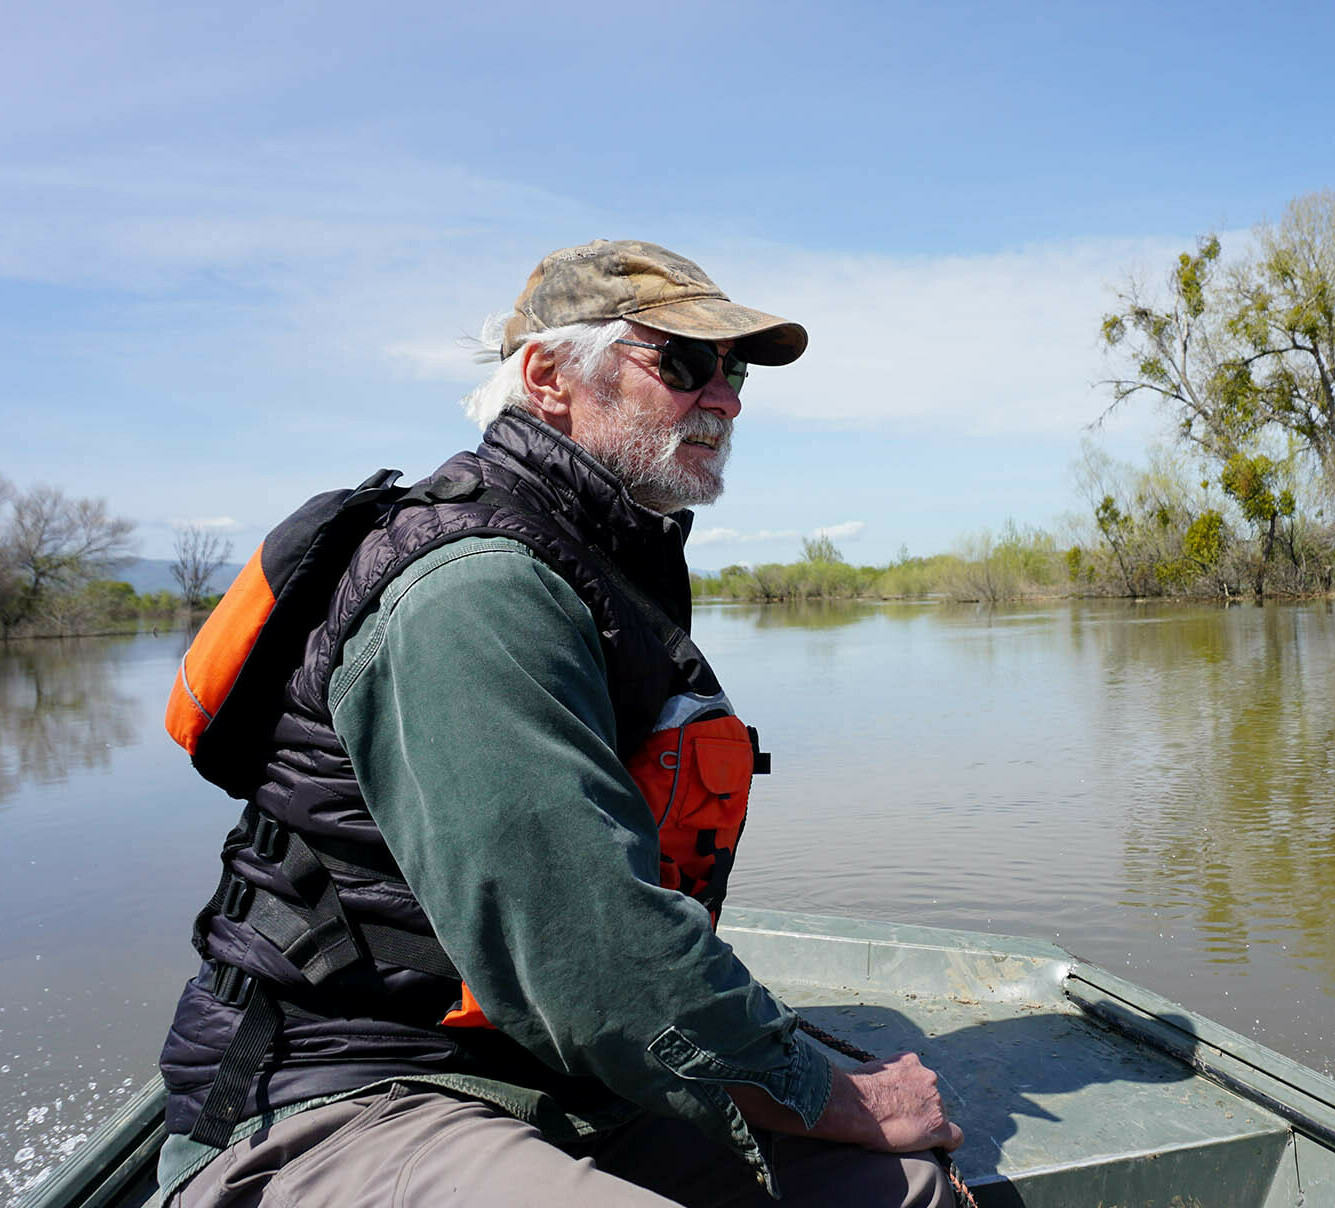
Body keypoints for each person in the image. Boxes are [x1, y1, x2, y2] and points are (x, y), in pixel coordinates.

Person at [157, 239, 962, 1206]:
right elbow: (590, 946)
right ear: (548, 377)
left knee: (903, 1186)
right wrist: (823, 1090)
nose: (727, 399)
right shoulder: (473, 587)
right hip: (342, 1094)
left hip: (540, 1071)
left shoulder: (595, 553)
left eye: (734, 371)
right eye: (683, 364)